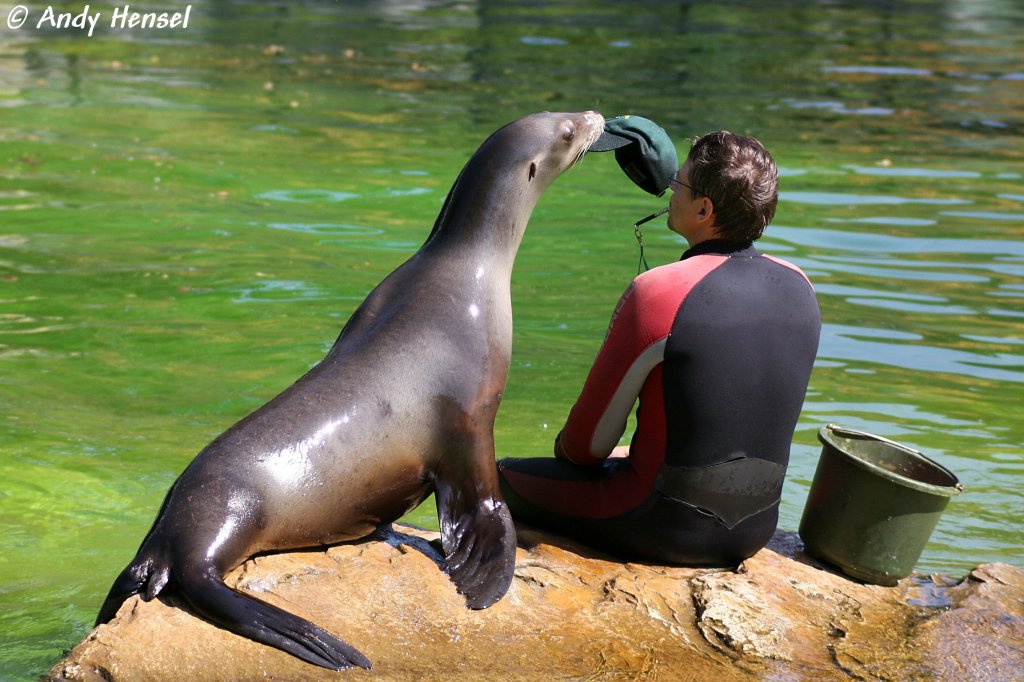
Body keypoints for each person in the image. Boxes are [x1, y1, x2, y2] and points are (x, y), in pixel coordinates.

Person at [497, 131, 821, 566]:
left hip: (661, 525)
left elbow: (582, 448)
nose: (670, 190)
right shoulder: (800, 285)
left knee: (490, 478)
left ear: (704, 210)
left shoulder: (661, 291)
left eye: (679, 183)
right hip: (752, 530)